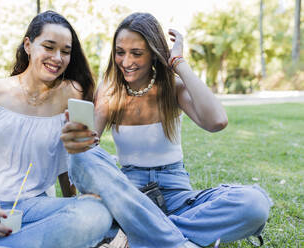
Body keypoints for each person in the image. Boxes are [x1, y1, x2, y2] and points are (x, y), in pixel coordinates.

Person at [61, 12, 273, 248]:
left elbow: (216, 121)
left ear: (153, 54)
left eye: (137, 53)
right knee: (83, 156)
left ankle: (141, 235)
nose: (126, 61)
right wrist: (77, 139)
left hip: (177, 195)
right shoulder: (109, 90)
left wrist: (178, 64)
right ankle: (175, 241)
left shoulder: (173, 87)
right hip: (129, 197)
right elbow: (91, 150)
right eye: (120, 52)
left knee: (254, 204)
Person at [0, 10, 113, 248]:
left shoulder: (72, 95)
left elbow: (67, 161)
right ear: (28, 45)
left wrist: (74, 202)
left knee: (96, 214)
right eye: (48, 47)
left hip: (31, 208)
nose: (57, 58)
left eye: (65, 52)